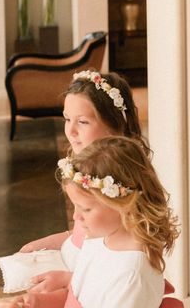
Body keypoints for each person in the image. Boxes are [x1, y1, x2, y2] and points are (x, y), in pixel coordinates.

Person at [17, 71, 153, 303]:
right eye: (67, 119)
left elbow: (114, 268)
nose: (70, 131)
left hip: (86, 284)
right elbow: (81, 234)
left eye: (82, 122)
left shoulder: (118, 185)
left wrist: (69, 280)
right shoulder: (85, 169)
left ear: (115, 126)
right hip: (76, 271)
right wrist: (45, 244)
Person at [0, 136, 180, 308]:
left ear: (124, 204)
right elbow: (77, 298)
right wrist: (34, 303)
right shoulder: (98, 240)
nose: (75, 216)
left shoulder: (130, 276)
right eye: (75, 206)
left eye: (85, 209)